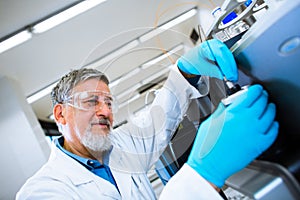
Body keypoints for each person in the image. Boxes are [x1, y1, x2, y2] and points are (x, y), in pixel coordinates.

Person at [16, 39, 278, 199]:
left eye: (108, 102)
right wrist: (200, 177)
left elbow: (160, 117)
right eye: (91, 102)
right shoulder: (42, 192)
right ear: (61, 114)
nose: (105, 111)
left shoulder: (119, 145)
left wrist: (184, 72)